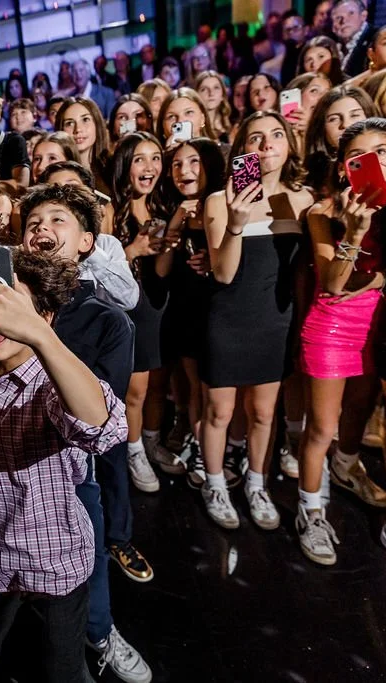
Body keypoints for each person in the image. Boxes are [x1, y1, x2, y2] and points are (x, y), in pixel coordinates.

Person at [0, 123, 151, 683]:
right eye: (34, 220)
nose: (43, 228)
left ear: (87, 241)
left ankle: (101, 634)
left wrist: (40, 338)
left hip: (62, 505)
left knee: (73, 622)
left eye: (59, 220)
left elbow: (102, 424)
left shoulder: (98, 323)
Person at [201, 111, 314, 530]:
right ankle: (214, 483)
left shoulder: (299, 200)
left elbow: (300, 270)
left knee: (265, 413)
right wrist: (235, 223)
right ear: (241, 149)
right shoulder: (220, 199)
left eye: (276, 136)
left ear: (288, 144)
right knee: (220, 411)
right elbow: (224, 274)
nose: (266, 145)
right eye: (255, 138)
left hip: (275, 319)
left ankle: (256, 483)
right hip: (229, 318)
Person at [297, 118, 386, 565]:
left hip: (379, 324)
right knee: (321, 428)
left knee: (360, 411)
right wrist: (355, 234)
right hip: (332, 330)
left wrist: (374, 277)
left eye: (384, 151)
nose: (376, 163)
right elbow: (333, 284)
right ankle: (310, 511)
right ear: (342, 169)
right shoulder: (323, 213)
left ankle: (346, 466)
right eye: (361, 157)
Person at [110, 133, 183, 491]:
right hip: (128, 310)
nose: (150, 167)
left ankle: (151, 441)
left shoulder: (162, 207)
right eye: (141, 159)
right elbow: (99, 269)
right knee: (135, 392)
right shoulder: (109, 207)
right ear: (126, 164)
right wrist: (134, 249)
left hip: (159, 304)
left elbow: (162, 272)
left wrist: (169, 240)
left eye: (156, 158)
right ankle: (133, 450)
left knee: (157, 385)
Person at [158, 138, 227, 484]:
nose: (185, 171)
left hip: (221, 310)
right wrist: (175, 221)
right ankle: (202, 452)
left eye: (194, 162)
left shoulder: (227, 203)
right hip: (185, 308)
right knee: (193, 388)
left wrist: (214, 261)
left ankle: (219, 452)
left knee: (214, 391)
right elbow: (162, 270)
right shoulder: (173, 207)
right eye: (177, 165)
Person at [56, 97, 113, 193]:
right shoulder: (56, 172)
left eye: (85, 119)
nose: (78, 129)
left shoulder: (113, 167)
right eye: (69, 123)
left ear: (97, 124)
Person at [331, 0, 375, 77]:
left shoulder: (375, 39)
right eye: (338, 17)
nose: (343, 21)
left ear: (363, 16)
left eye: (351, 13)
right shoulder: (333, 47)